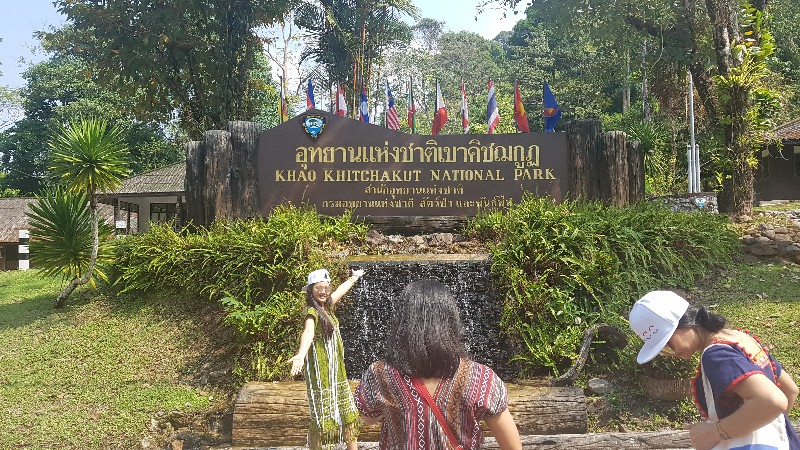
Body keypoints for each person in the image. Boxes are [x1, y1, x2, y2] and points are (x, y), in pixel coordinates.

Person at [354, 279, 522, 450]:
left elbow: (368, 419)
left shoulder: (380, 374)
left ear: (402, 323)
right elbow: (513, 447)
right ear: (451, 321)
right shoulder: (481, 378)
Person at [630, 290, 799, 450]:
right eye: (663, 350)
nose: (671, 352)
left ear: (686, 322)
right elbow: (790, 390)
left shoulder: (715, 355)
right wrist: (764, 427)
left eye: (668, 343)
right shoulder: (739, 339)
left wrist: (716, 432)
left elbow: (773, 401)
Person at [289, 267, 365, 450]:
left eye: (325, 287)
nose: (323, 291)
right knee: (323, 419)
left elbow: (340, 291)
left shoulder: (327, 307)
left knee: (348, 412)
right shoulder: (311, 312)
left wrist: (354, 278)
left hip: (337, 372)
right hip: (321, 375)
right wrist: (300, 355)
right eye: (318, 288)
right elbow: (308, 332)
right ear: (311, 291)